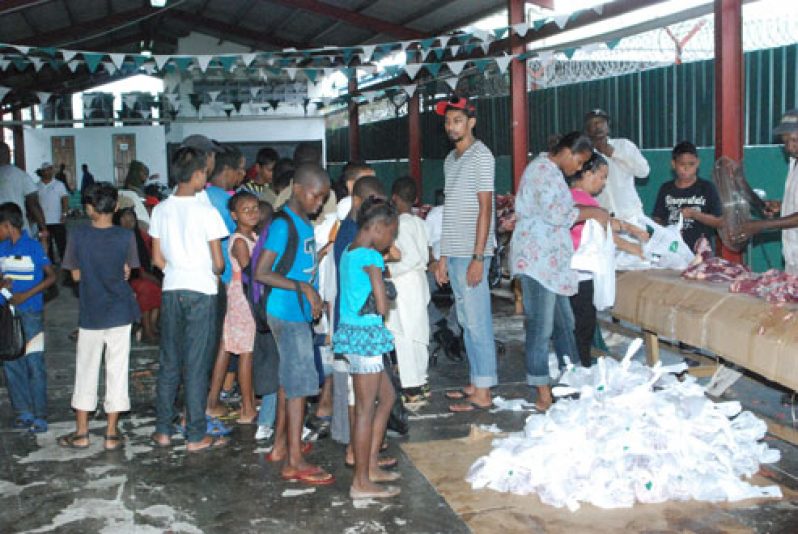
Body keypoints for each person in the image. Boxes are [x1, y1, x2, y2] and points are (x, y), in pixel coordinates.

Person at [510, 132, 609, 411]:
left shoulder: (550, 172)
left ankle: (572, 380)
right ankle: (542, 390)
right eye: (579, 161)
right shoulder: (543, 171)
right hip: (538, 262)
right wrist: (592, 213)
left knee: (565, 324)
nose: (578, 168)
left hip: (552, 265)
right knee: (540, 328)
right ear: (566, 151)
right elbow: (558, 214)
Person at [256, 163, 334, 485]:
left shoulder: (303, 224)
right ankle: (294, 461)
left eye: (324, 198)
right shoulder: (283, 224)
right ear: (299, 189)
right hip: (286, 312)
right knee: (301, 384)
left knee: (290, 380)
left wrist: (319, 260)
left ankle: (280, 447)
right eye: (316, 196)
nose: (319, 203)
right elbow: (262, 271)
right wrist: (304, 288)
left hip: (298, 310)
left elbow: (298, 266)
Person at [149, 147, 230, 453]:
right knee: (196, 365)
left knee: (170, 361)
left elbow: (157, 258)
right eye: (204, 176)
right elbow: (219, 263)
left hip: (172, 289)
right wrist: (204, 271)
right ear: (197, 175)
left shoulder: (160, 209)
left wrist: (177, 270)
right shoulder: (206, 212)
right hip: (201, 292)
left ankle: (162, 430)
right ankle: (196, 434)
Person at [59, 183, 140, 450]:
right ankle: (111, 434)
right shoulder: (126, 236)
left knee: (86, 369)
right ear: (116, 207)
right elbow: (129, 270)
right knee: (117, 370)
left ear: (89, 209)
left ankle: (81, 433)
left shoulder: (78, 236)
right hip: (120, 311)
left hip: (91, 313)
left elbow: (75, 275)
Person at [333, 197, 401, 500]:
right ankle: (360, 481)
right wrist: (384, 285)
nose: (391, 240)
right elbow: (383, 303)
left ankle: (370, 466)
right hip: (367, 339)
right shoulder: (372, 258)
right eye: (391, 233)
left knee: (386, 397)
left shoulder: (348, 251)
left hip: (350, 335)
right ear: (377, 228)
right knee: (364, 409)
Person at [432, 96, 497, 412]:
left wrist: (479, 256)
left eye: (457, 120)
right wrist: (443, 256)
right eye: (447, 121)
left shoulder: (481, 157)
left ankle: (484, 392)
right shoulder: (451, 160)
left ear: (471, 122)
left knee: (477, 322)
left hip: (472, 253)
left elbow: (486, 208)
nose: (451, 126)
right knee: (467, 322)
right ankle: (476, 380)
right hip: (454, 251)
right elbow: (451, 211)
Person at [568, 153, 647, 367]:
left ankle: (577, 361)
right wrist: (632, 246)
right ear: (586, 173)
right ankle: (581, 364)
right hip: (580, 273)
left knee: (578, 322)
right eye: (601, 177)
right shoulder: (580, 199)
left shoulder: (574, 197)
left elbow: (607, 223)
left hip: (573, 272)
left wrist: (629, 228)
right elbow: (604, 232)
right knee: (583, 323)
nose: (603, 183)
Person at [0, 202, 56, 433]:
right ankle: (23, 410)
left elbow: (51, 277)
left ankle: (40, 413)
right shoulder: (2, 248)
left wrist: (26, 295)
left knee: (34, 361)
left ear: (7, 225)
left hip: (31, 311)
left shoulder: (32, 246)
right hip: (7, 313)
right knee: (12, 360)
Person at [203, 145, 247, 420]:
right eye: (240, 170)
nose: (242, 175)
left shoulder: (203, 196)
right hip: (229, 280)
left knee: (221, 341)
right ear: (228, 170)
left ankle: (218, 392)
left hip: (208, 279)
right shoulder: (222, 202)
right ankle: (218, 395)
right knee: (231, 342)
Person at [385, 177, 431, 402]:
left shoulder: (399, 224)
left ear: (393, 198)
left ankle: (411, 383)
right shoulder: (420, 223)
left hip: (405, 281)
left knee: (404, 333)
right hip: (419, 281)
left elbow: (409, 257)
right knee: (418, 332)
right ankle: (420, 378)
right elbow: (426, 254)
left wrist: (388, 270)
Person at [738, 110, 798, 274]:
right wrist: (783, 206)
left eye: (794, 140)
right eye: (785, 142)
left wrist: (762, 225)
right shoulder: (794, 163)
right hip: (793, 256)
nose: (789, 147)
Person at [222, 191, 260, 424]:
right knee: (245, 350)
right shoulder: (239, 240)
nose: (253, 213)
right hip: (242, 296)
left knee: (250, 349)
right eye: (246, 210)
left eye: (255, 208)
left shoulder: (253, 235)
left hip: (249, 295)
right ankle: (247, 407)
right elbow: (249, 271)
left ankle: (250, 398)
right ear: (235, 215)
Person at [652, 141, 723, 252]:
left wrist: (695, 215)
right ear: (673, 164)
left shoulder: (707, 188)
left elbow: (720, 221)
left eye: (691, 164)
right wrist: (667, 232)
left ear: (698, 163)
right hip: (672, 251)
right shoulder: (666, 189)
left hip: (700, 252)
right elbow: (657, 218)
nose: (686, 169)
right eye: (682, 164)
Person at [584, 109, 650, 223]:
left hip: (631, 216)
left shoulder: (624, 145)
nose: (598, 126)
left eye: (601, 122)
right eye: (593, 123)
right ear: (587, 130)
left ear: (608, 127)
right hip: (604, 220)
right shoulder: (585, 155)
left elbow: (644, 172)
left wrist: (615, 154)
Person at [113, 208, 161, 344]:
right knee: (147, 288)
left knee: (158, 288)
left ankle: (150, 326)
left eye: (131, 219)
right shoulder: (117, 237)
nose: (129, 222)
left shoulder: (140, 235)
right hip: (124, 277)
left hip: (140, 274)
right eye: (124, 219)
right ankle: (147, 329)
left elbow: (154, 248)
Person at [0, 141, 48, 243]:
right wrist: (43, 228)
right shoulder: (20, 175)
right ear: (9, 154)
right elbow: (33, 204)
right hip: (17, 230)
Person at [36, 162, 69, 264]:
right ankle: (50, 264)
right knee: (46, 244)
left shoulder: (59, 185)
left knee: (61, 243)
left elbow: (65, 199)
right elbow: (34, 202)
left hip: (57, 220)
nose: (48, 172)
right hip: (42, 221)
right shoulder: (36, 186)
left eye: (50, 169)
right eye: (45, 170)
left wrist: (64, 214)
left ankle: (65, 263)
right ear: (42, 172)